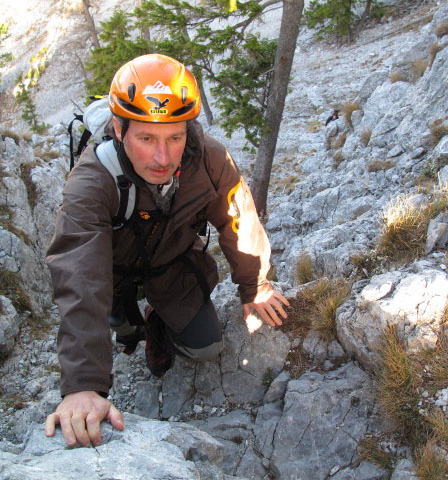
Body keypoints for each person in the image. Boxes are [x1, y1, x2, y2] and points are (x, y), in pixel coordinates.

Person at [44, 54, 289, 448]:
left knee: (206, 346)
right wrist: (84, 385)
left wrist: (253, 285)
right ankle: (132, 323)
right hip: (114, 275)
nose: (163, 158)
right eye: (147, 139)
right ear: (119, 129)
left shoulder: (208, 160)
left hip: (170, 265)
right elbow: (79, 271)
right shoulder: (92, 181)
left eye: (175, 138)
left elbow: (237, 217)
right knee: (122, 331)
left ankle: (159, 317)